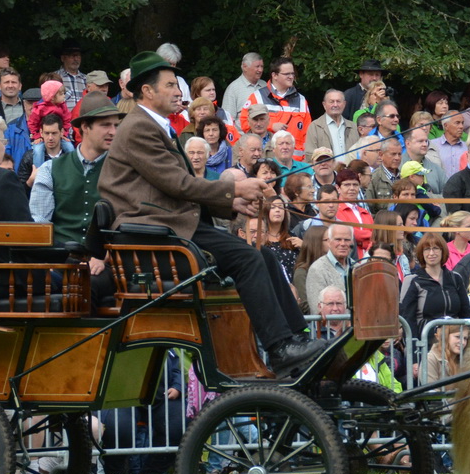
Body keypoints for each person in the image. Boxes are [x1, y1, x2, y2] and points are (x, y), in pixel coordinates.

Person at [99, 51, 322, 374]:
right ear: (147, 91)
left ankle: (296, 339)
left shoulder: (158, 127)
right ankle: (279, 348)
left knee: (266, 257)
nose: (179, 91)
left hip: (171, 226)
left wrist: (230, 202)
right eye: (171, 85)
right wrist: (234, 191)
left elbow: (180, 186)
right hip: (155, 234)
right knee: (248, 258)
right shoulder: (138, 128)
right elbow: (179, 184)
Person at [29, 92, 120, 251]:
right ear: (85, 127)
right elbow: (40, 226)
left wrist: (106, 255)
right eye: (105, 125)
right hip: (61, 261)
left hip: (108, 262)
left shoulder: (122, 169)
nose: (113, 131)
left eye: (116, 125)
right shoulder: (49, 169)